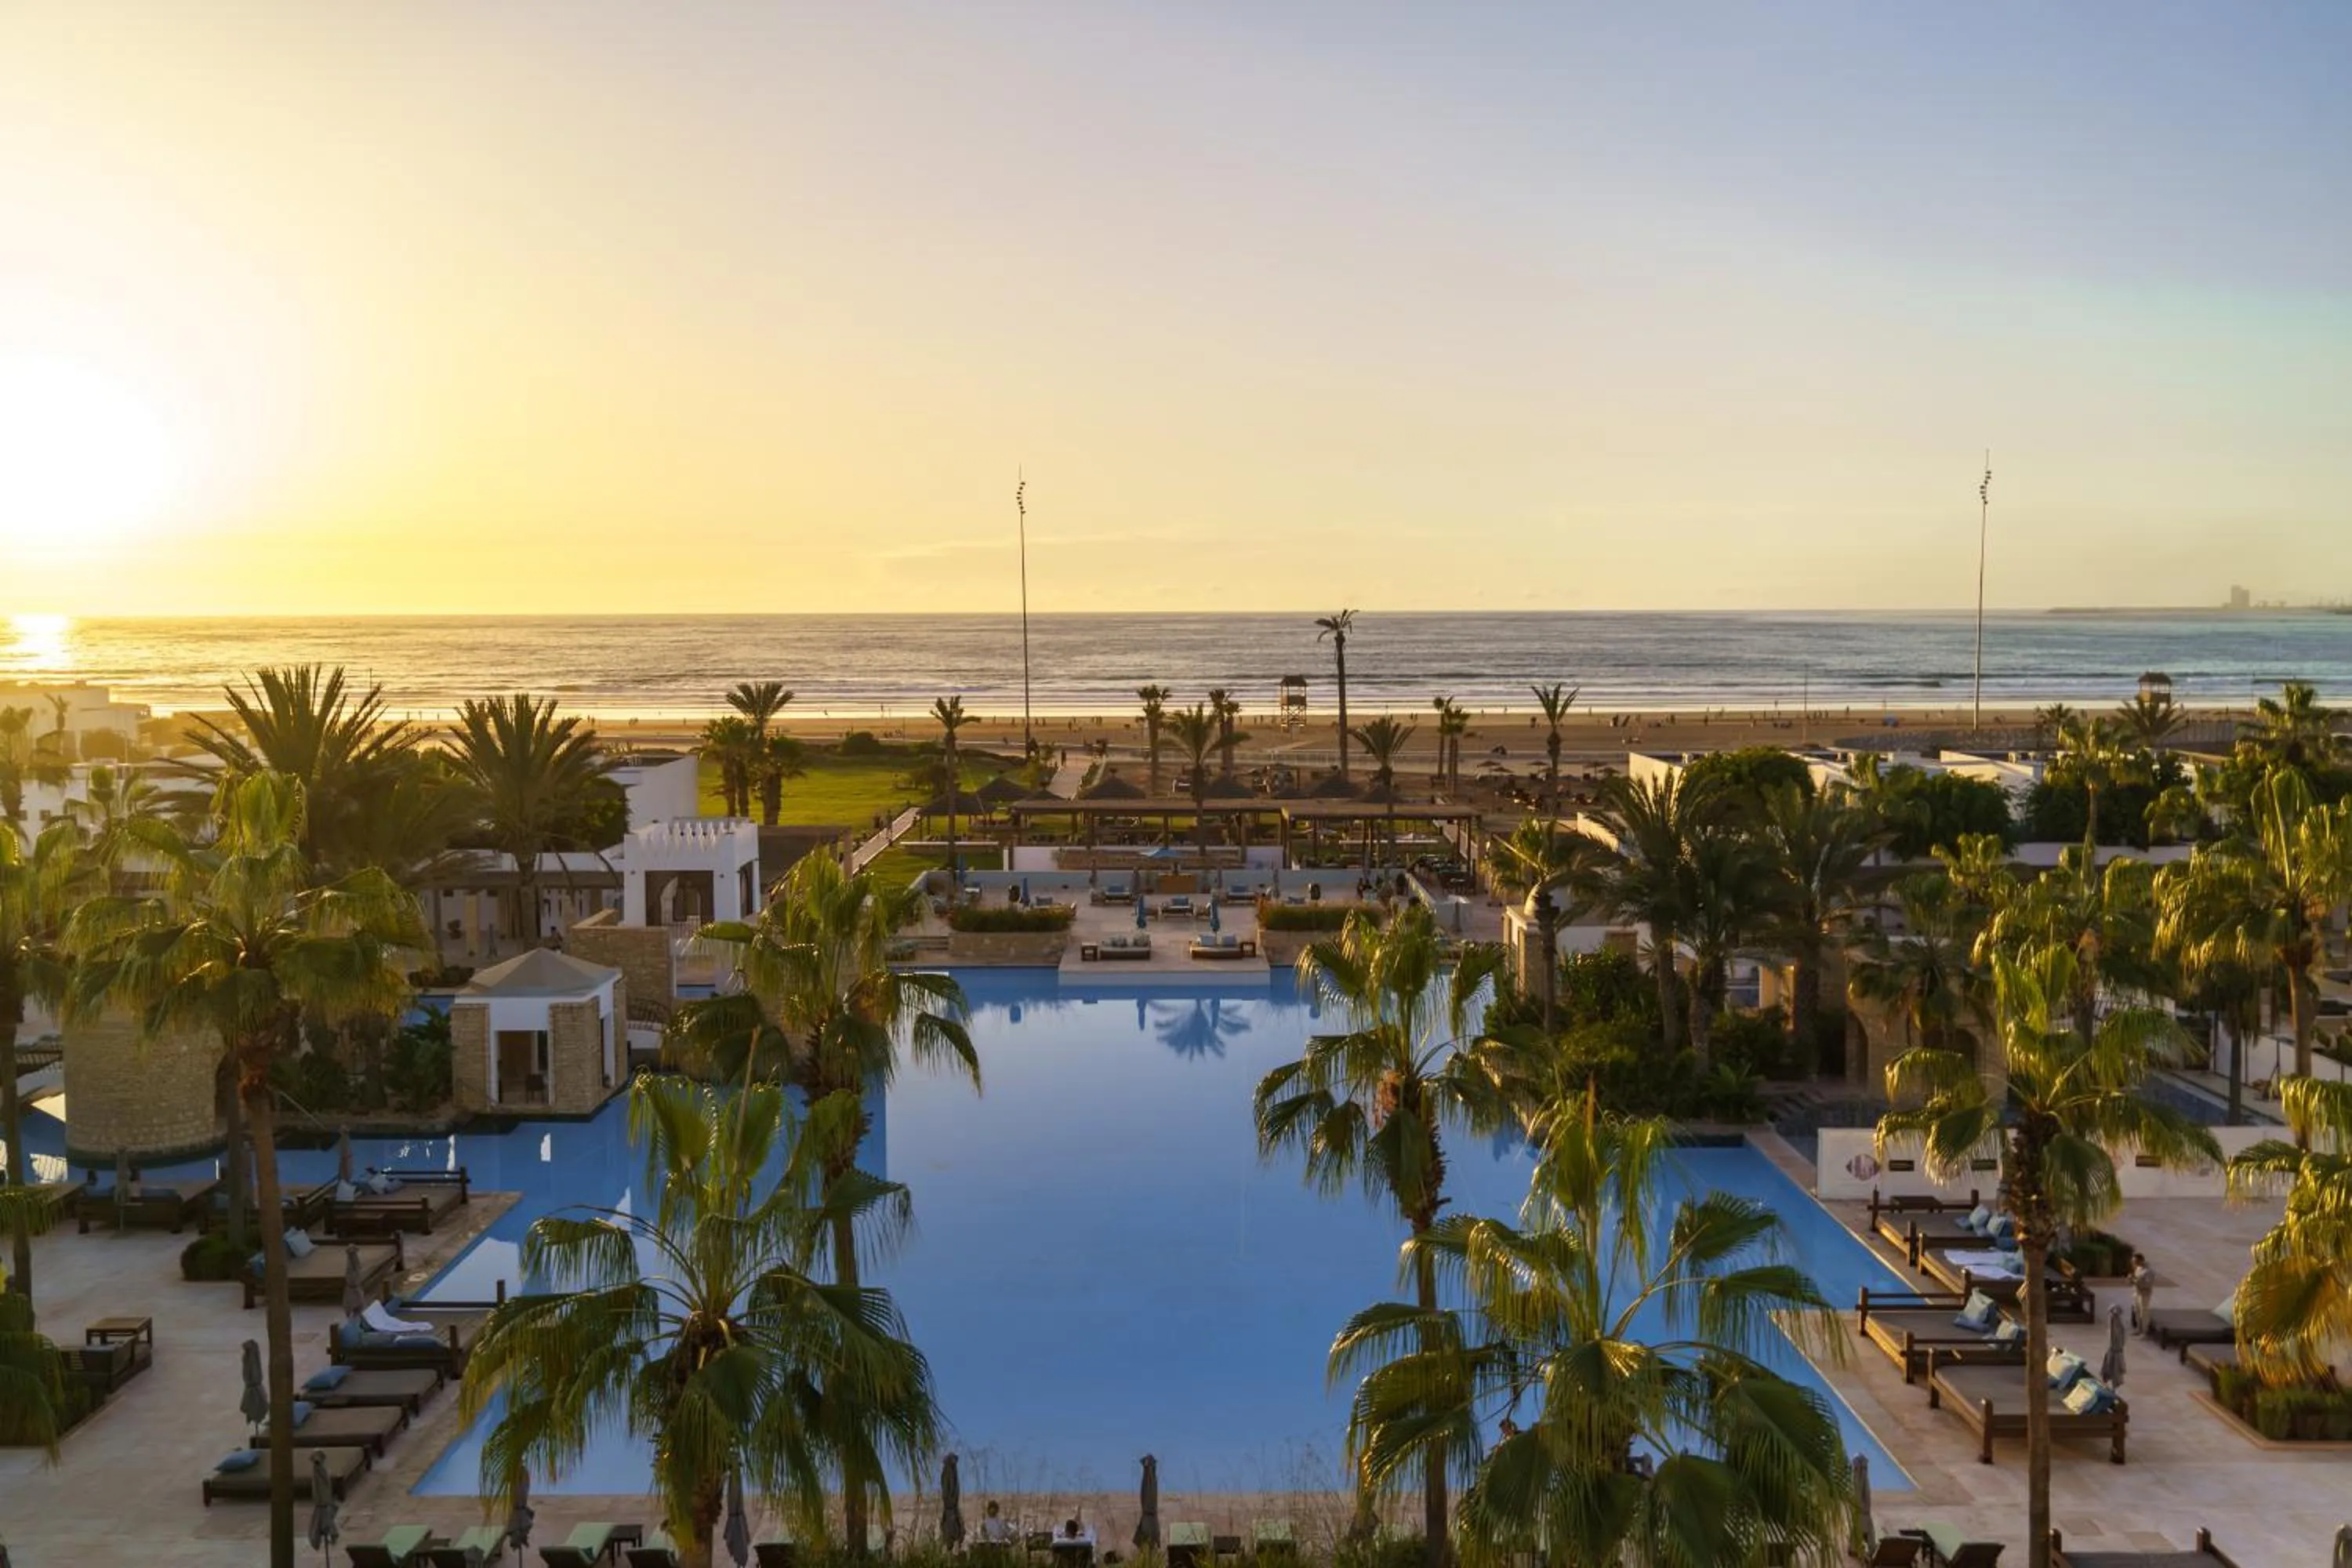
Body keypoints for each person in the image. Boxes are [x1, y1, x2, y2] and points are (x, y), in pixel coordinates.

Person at [2129, 1251, 2155, 1335]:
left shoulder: (2148, 1271)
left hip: (2144, 1294)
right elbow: (2136, 1280)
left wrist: (2136, 1282)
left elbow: (2148, 1284)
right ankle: (2138, 1329)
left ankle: (2144, 1331)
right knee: (2137, 1311)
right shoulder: (2138, 1268)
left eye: (2136, 1262)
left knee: (2143, 1312)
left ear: (2141, 1261)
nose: (2134, 1264)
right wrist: (2132, 1280)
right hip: (2137, 1293)